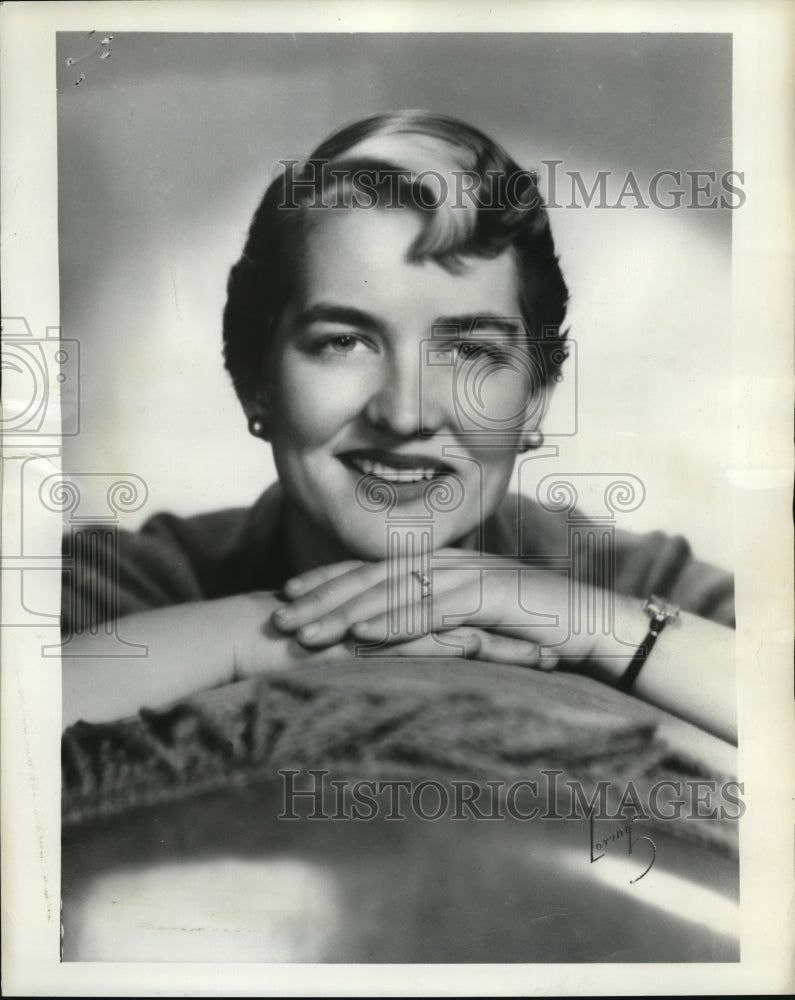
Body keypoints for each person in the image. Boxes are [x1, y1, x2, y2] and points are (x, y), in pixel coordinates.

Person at [62, 110, 736, 743]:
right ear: (254, 379)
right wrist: (263, 635)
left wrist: (587, 625)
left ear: (533, 400)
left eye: (470, 352)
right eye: (342, 342)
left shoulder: (632, 580)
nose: (404, 413)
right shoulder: (117, 586)